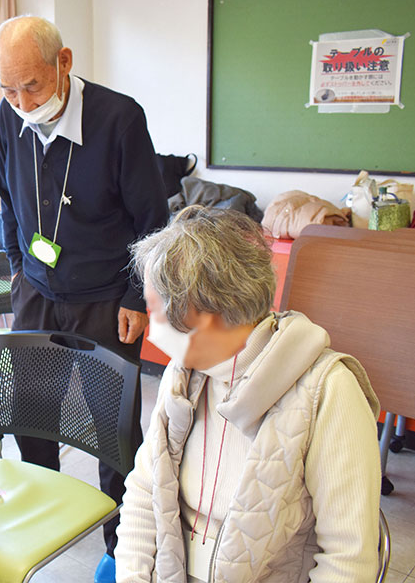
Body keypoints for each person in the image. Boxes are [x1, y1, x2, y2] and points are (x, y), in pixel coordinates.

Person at [0, 15, 168, 582]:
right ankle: (42, 522)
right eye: (8, 88)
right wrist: (20, 269)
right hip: (37, 293)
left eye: (32, 86)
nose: (20, 101)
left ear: (64, 63)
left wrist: (137, 296)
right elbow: (9, 201)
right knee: (32, 419)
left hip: (105, 299)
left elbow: (152, 219)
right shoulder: (6, 117)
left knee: (112, 428)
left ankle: (123, 548)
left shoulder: (119, 118)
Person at [116, 206, 381, 582]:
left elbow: (348, 560)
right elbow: (145, 491)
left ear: (204, 315)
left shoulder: (330, 392)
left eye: (156, 309)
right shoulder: (186, 371)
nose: (151, 325)